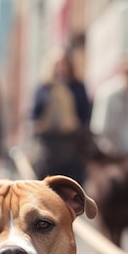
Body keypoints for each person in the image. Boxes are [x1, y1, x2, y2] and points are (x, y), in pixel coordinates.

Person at [30, 47, 92, 183]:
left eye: (64, 63)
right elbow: (33, 114)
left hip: (71, 145)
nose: (62, 67)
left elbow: (85, 115)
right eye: (58, 63)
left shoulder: (78, 87)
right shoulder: (44, 88)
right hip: (48, 146)